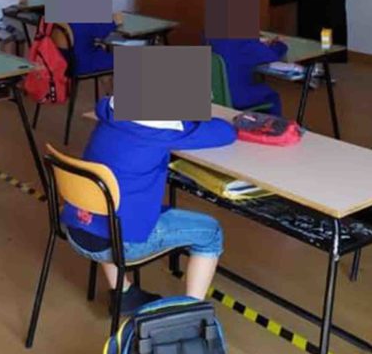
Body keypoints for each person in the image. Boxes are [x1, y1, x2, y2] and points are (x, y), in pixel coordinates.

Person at [60, 97, 236, 313]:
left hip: (78, 226)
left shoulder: (109, 110)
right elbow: (225, 132)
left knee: (110, 209)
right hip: (119, 243)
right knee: (211, 233)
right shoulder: (162, 129)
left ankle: (123, 293)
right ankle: (189, 313)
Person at [208, 36, 289, 115]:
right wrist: (280, 44)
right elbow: (272, 55)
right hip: (238, 97)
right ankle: (272, 124)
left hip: (214, 96)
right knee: (271, 94)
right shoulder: (246, 41)